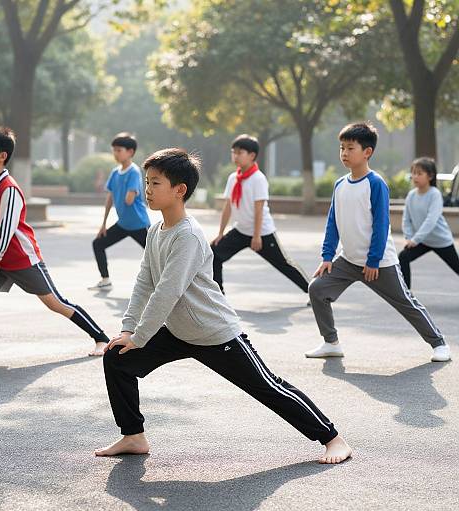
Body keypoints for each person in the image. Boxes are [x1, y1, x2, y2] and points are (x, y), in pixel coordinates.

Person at [95, 148, 352, 464]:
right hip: (179, 331)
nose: (148, 190)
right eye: (147, 182)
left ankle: (332, 437)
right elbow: (144, 282)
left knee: (268, 388)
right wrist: (127, 330)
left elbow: (167, 292)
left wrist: (140, 337)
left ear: (180, 190)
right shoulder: (155, 231)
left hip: (215, 333)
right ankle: (133, 436)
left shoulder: (187, 235)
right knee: (117, 358)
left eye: (156, 183)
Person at [0, 127, 109, 357]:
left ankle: (101, 338)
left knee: (55, 303)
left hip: (22, 259)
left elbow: (6, 229)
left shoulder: (10, 189)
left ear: (2, 156)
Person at [305, 122, 451, 363]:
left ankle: (439, 343)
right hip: (348, 259)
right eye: (341, 148)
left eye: (350, 148)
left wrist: (373, 260)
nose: (344, 153)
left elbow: (381, 226)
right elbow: (333, 223)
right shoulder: (340, 185)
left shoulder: (375, 183)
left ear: (367, 152)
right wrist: (327, 257)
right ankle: (331, 342)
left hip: (379, 263)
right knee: (317, 289)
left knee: (405, 302)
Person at [211, 134, 310, 299]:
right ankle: (218, 296)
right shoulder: (233, 178)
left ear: (252, 155)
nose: (235, 156)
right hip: (241, 231)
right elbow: (228, 207)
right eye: (233, 152)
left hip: (262, 233)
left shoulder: (258, 179)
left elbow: (259, 210)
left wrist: (257, 236)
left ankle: (313, 293)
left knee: (284, 264)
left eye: (239, 152)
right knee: (213, 254)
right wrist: (221, 233)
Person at [89, 132, 150, 291]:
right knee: (98, 244)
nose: (115, 153)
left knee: (155, 255)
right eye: (114, 150)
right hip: (123, 224)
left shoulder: (134, 172)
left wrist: (125, 191)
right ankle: (105, 280)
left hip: (139, 224)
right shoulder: (115, 173)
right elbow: (110, 198)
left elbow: (129, 200)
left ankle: (165, 285)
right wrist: (103, 224)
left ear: (130, 152)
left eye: (119, 150)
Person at [398, 157, 459, 289]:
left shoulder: (435, 194)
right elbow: (406, 219)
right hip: (422, 242)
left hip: (441, 241)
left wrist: (415, 239)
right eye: (413, 173)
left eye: (419, 173)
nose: (415, 176)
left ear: (430, 176)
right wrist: (409, 237)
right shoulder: (411, 195)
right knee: (403, 257)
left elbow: (431, 220)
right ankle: (406, 295)